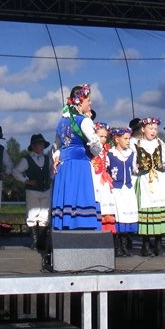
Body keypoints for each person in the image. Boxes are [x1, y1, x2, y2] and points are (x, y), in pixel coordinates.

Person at [51, 84, 104, 231]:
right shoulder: (84, 121)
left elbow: (56, 146)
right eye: (88, 100)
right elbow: (96, 144)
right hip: (80, 165)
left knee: (68, 196)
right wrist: (93, 152)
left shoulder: (61, 122)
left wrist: (56, 158)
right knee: (81, 195)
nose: (90, 102)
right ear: (80, 102)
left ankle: (66, 224)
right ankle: (82, 226)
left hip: (64, 166)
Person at [133, 117, 165, 256]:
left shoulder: (160, 143)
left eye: (155, 129)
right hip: (145, 180)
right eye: (150, 128)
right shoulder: (136, 144)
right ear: (143, 129)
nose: (153, 131)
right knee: (146, 212)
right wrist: (136, 168)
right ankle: (145, 245)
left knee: (159, 209)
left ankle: (158, 244)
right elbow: (132, 162)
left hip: (159, 180)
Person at [13, 133, 52, 250]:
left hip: (46, 190)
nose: (41, 146)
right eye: (39, 144)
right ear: (33, 146)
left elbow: (52, 171)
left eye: (42, 144)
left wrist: (51, 179)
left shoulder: (47, 159)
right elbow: (16, 172)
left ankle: (42, 242)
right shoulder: (27, 159)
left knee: (44, 216)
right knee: (32, 215)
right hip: (33, 191)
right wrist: (26, 181)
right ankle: (35, 242)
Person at [107, 127, 138, 257]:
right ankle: (116, 246)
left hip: (128, 189)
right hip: (116, 190)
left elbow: (134, 169)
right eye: (125, 138)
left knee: (126, 218)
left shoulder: (131, 153)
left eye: (128, 138)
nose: (128, 141)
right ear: (116, 139)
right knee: (118, 217)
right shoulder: (110, 154)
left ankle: (124, 246)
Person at [92, 122, 117, 242]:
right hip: (95, 178)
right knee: (98, 202)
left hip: (104, 179)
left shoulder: (106, 149)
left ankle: (107, 234)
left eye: (105, 137)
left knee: (106, 203)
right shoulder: (91, 149)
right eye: (100, 136)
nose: (103, 139)